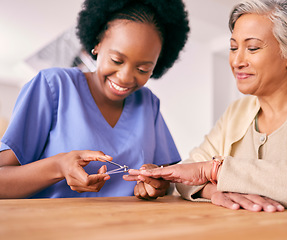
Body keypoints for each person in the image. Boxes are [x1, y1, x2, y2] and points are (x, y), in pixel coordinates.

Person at [127, 0, 287, 211]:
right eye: (233, 47)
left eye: (253, 48)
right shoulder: (236, 113)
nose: (237, 61)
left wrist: (215, 171)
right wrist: (213, 189)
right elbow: (188, 173)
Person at [0, 0, 190, 199]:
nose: (125, 77)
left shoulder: (148, 103)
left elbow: (168, 182)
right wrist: (58, 166)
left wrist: (157, 185)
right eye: (116, 60)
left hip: (133, 227)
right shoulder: (52, 86)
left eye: (143, 69)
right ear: (97, 44)